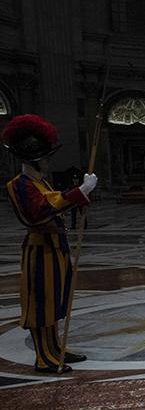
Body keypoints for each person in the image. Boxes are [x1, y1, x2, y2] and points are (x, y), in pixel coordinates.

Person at [2, 114, 97, 373]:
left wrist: (81, 196)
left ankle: (55, 349)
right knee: (41, 303)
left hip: (55, 248)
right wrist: (80, 192)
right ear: (34, 158)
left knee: (55, 300)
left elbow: (55, 200)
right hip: (39, 250)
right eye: (44, 157)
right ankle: (44, 357)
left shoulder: (39, 182)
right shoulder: (19, 185)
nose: (47, 162)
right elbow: (40, 210)